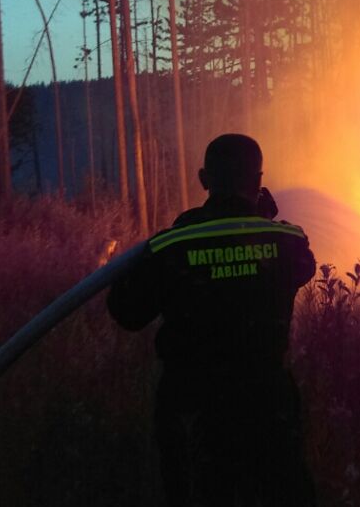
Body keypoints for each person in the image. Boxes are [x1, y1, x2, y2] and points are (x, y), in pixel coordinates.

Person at [107, 133, 317, 506]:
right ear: (258, 180)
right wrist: (258, 219)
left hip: (193, 405)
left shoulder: (170, 247)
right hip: (267, 403)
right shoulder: (289, 242)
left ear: (204, 179)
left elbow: (128, 312)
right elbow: (294, 267)